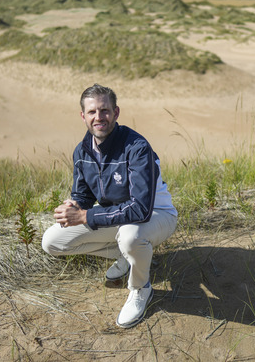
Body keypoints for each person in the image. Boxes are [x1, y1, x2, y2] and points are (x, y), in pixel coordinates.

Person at [41, 84, 178, 328]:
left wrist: (85, 216)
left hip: (157, 215)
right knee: (52, 242)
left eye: (104, 110)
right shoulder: (82, 151)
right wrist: (74, 206)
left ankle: (141, 288)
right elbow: (83, 194)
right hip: (117, 217)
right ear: (83, 116)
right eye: (92, 112)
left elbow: (140, 209)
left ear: (116, 112)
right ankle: (125, 256)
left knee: (130, 236)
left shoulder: (137, 147)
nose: (99, 117)